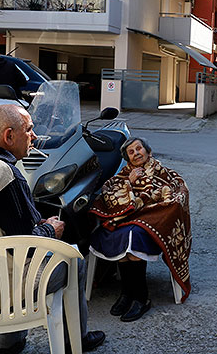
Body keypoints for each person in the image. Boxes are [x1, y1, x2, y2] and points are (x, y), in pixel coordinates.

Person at [0, 104, 105, 354]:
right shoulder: (3, 174)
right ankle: (75, 342)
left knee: (5, 260)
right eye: (29, 129)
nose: (35, 136)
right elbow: (29, 245)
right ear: (9, 136)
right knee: (75, 262)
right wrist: (52, 230)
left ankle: (9, 344)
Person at [89, 137, 191, 322]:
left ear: (148, 152)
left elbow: (176, 192)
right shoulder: (124, 174)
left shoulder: (162, 172)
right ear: (127, 158)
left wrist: (148, 201)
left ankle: (141, 298)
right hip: (127, 219)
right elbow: (109, 193)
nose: (136, 153)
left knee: (133, 235)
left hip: (153, 220)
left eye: (139, 149)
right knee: (118, 234)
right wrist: (129, 183)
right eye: (131, 152)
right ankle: (127, 293)